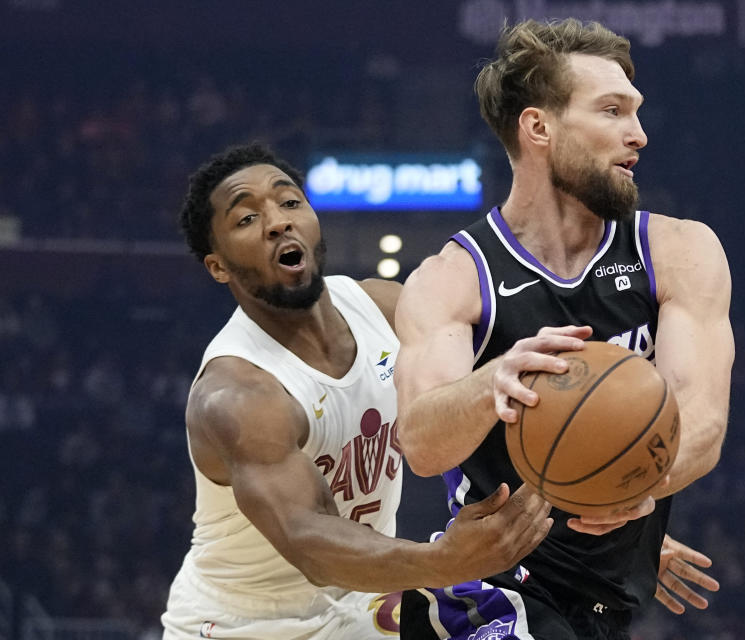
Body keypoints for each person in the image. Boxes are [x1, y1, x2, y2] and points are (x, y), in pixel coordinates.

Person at [394, 18, 734, 640]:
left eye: (636, 112)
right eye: (612, 111)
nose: (639, 135)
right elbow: (421, 444)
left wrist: (633, 486)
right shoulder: (454, 278)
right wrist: (495, 379)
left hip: (606, 602)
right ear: (539, 127)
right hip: (489, 595)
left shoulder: (680, 251)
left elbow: (703, 420)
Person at [160, 143, 556, 639]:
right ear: (218, 267)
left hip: (361, 604)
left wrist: (600, 495)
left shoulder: (384, 307)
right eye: (246, 219)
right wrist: (441, 560)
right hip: (246, 625)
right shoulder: (238, 392)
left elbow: (498, 397)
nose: (278, 222)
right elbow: (309, 540)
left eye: (289, 202)